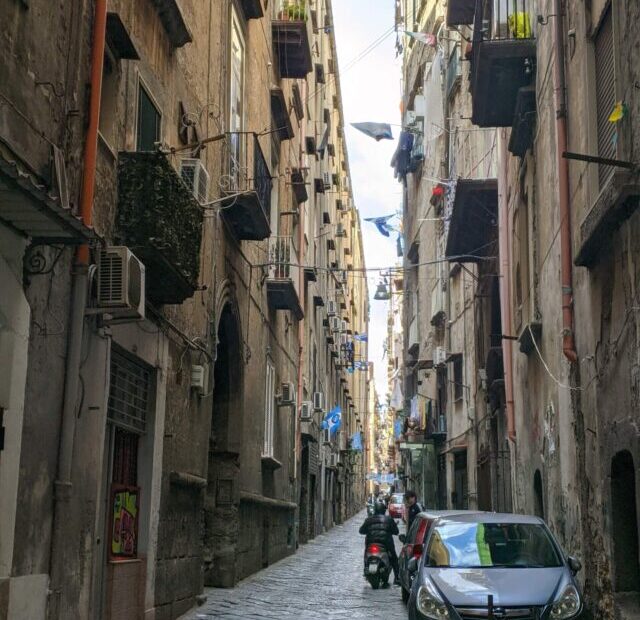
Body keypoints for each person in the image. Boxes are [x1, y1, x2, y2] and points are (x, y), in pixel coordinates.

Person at [359, 500, 400, 585]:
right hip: (385, 543)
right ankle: (397, 577)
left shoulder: (369, 519)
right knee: (394, 559)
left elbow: (361, 531)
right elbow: (396, 531)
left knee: (366, 554)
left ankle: (366, 569)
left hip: (371, 543)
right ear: (384, 510)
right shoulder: (388, 519)